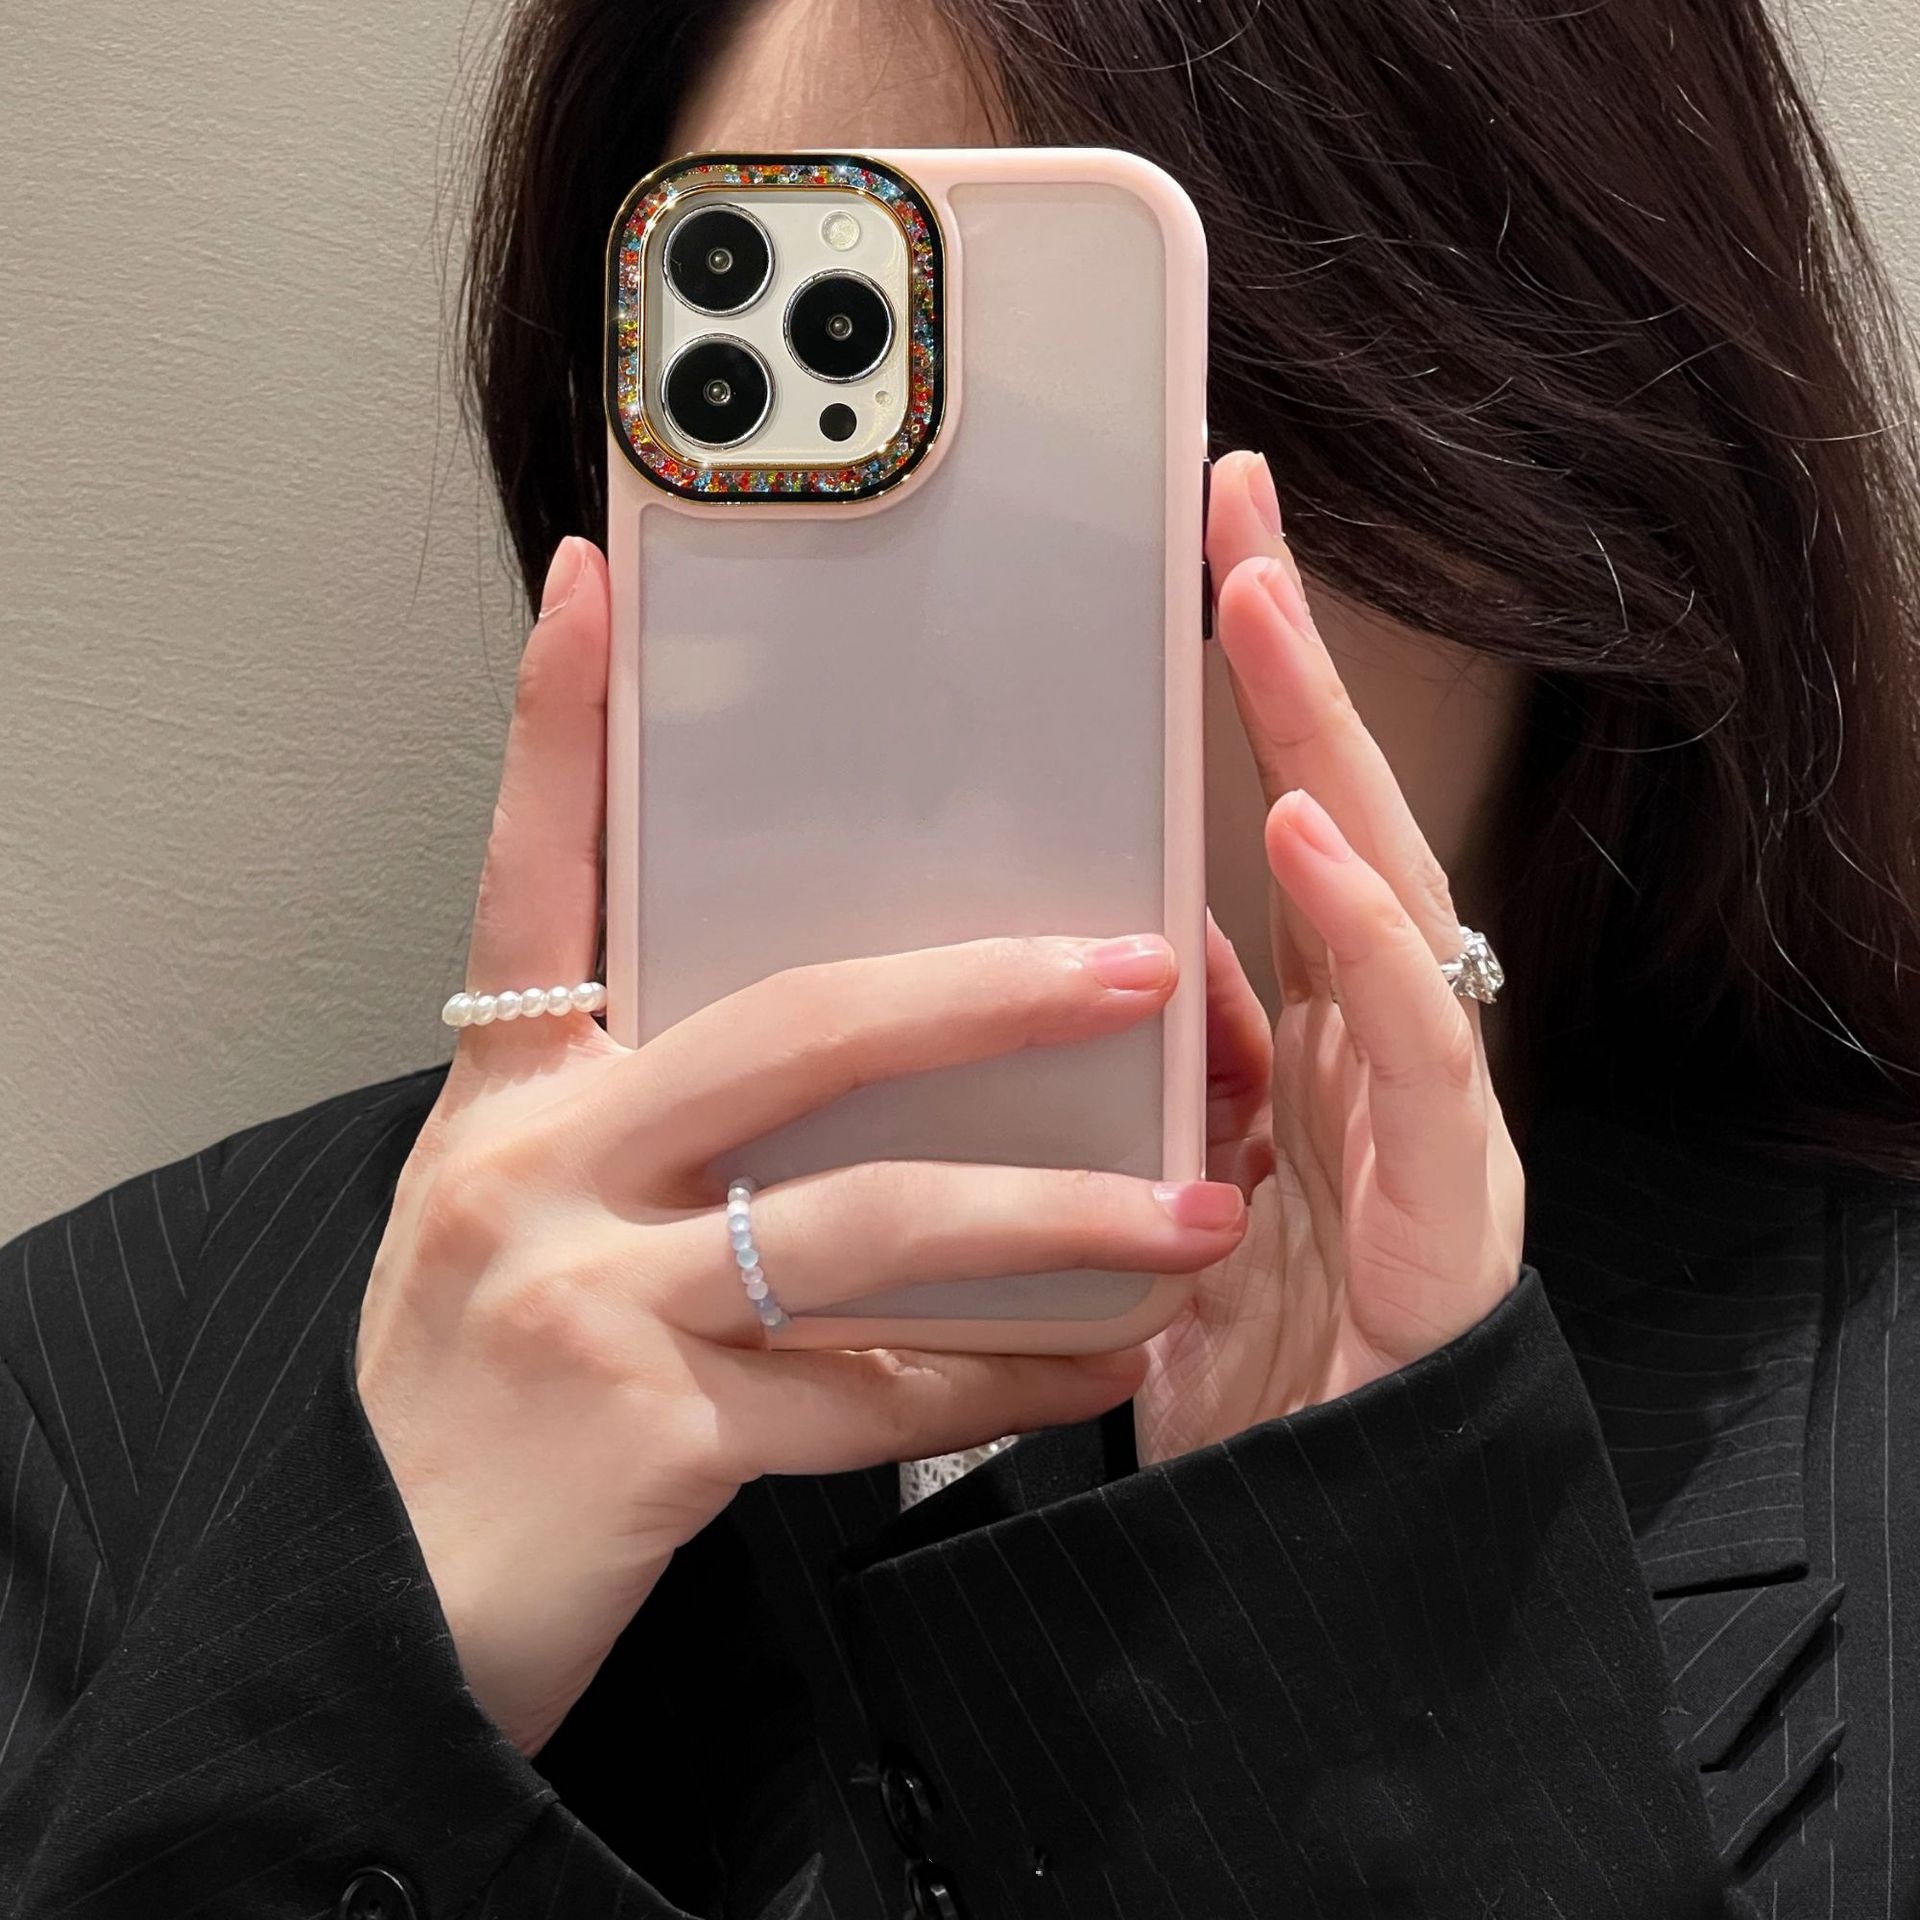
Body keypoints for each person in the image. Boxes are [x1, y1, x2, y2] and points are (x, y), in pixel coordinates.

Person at [5, 0, 1919, 1914]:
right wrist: (359, 1688)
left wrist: (1361, 1648)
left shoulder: (1874, 1443)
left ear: (1564, 457)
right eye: (771, 392)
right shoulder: (104, 1393)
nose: (969, 610)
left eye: (1122, 387)